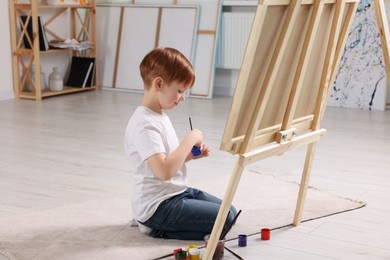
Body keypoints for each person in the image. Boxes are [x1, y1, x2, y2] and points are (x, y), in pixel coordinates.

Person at [124, 47, 237, 240]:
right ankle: (152, 226)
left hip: (177, 192)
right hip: (158, 205)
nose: (182, 98)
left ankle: (166, 224)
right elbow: (164, 171)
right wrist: (190, 138)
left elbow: (167, 160)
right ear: (158, 83)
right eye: (180, 91)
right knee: (224, 219)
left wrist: (189, 156)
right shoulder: (144, 124)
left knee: (230, 211)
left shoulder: (159, 115)